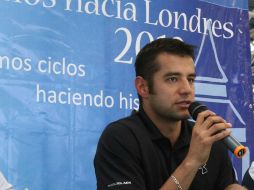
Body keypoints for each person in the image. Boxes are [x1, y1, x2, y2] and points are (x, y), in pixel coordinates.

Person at [94, 38, 246, 190]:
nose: (187, 89)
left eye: (191, 79)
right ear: (143, 87)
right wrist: (192, 161)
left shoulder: (209, 140)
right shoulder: (120, 138)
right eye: (173, 79)